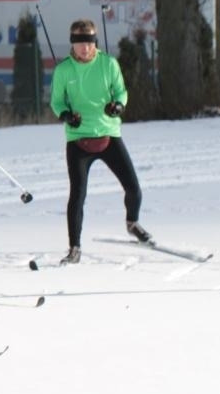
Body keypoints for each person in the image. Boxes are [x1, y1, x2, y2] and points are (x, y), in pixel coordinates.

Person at [50, 18, 149, 264]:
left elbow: (121, 92)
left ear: (95, 42)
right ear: (72, 44)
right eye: (80, 43)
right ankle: (74, 248)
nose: (85, 48)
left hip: (108, 135)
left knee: (134, 188)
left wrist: (118, 105)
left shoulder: (109, 64)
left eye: (90, 43)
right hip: (78, 140)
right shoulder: (63, 70)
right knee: (78, 195)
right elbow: (56, 101)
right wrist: (65, 115)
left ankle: (132, 222)